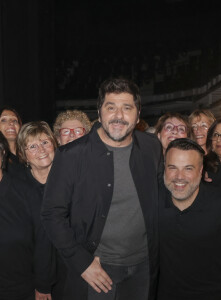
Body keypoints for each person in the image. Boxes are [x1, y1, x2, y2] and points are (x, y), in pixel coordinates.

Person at [41, 78, 163, 300]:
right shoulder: (71, 156)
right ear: (99, 112)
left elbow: (162, 195)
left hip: (144, 267)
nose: (119, 115)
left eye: (127, 108)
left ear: (138, 114)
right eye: (111, 107)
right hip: (97, 270)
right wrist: (81, 262)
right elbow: (51, 215)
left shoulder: (151, 147)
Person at [157, 138, 221, 300]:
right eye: (172, 167)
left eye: (188, 168)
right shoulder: (153, 201)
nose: (179, 177)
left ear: (201, 171)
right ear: (164, 169)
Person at [0, 131, 54, 300]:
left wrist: (43, 286)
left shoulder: (27, 193)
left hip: (20, 289)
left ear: (2, 153)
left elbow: (43, 242)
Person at [17, 121, 65, 299]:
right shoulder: (18, 188)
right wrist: (41, 283)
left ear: (54, 143)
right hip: (33, 277)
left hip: (71, 272)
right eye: (33, 146)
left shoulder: (70, 180)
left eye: (45, 142)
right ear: (23, 154)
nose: (42, 150)